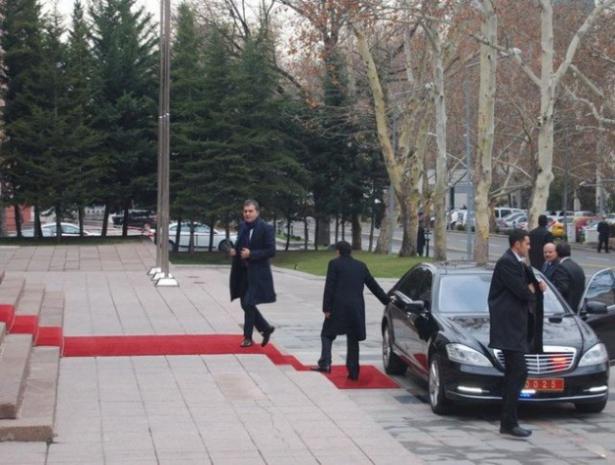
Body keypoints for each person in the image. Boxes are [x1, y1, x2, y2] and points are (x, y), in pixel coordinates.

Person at [489, 229, 546, 438]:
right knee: (519, 372)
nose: (529, 247)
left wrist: (535, 287)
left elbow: (528, 288)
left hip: (515, 329)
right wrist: (533, 289)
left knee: (516, 373)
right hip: (508, 330)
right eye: (527, 243)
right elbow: (522, 292)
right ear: (517, 244)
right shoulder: (507, 263)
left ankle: (508, 421)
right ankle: (509, 422)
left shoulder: (517, 262)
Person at [313, 241, 390, 380]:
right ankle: (353, 371)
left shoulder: (334, 264)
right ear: (350, 252)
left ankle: (325, 363)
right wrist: (387, 300)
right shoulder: (361, 266)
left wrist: (326, 308)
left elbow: (329, 287)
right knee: (353, 339)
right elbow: (373, 285)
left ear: (338, 252)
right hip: (356, 309)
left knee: (327, 334)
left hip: (338, 307)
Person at [229, 200, 276, 348]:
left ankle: (248, 337)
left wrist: (251, 254)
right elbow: (240, 246)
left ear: (257, 212)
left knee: (249, 303)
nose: (247, 214)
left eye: (250, 211)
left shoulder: (266, 228)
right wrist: (234, 252)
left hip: (257, 273)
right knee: (245, 304)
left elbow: (271, 251)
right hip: (242, 272)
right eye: (245, 211)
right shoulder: (243, 227)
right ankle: (266, 328)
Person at [551, 242, 586, 311]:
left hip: (566, 307)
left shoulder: (561, 268)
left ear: (557, 253)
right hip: (578, 306)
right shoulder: (577, 266)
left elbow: (562, 288)